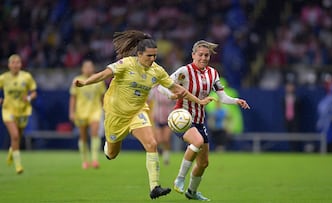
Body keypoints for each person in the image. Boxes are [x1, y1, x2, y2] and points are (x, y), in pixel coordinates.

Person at [73, 30, 214, 199]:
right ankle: (107, 147)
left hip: (138, 112)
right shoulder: (125, 64)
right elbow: (104, 74)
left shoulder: (157, 71)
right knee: (112, 154)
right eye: (149, 56)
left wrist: (198, 102)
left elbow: (178, 89)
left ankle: (155, 187)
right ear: (139, 54)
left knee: (152, 143)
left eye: (155, 56)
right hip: (116, 115)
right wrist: (85, 82)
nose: (152, 59)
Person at [158, 40, 250, 201]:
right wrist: (171, 95)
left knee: (203, 163)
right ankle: (179, 178)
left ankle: (191, 192)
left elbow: (222, 96)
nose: (203, 58)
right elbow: (161, 86)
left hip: (199, 121)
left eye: (206, 55)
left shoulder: (213, 73)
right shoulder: (184, 71)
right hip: (182, 117)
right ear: (193, 55)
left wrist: (236, 100)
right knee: (198, 141)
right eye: (200, 54)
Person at [0, 54, 37, 174]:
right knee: (15, 135)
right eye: (13, 63)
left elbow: (34, 93)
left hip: (23, 110)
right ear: (9, 65)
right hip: (8, 110)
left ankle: (12, 150)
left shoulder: (26, 77)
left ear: (21, 64)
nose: (15, 65)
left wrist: (29, 98)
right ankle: (18, 166)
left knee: (18, 136)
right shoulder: (4, 78)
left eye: (18, 62)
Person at [69, 60, 106, 169]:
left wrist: (105, 110)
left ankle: (95, 159)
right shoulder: (77, 80)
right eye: (86, 67)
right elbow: (73, 97)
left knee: (95, 132)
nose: (88, 69)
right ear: (82, 69)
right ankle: (84, 160)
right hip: (81, 112)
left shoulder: (98, 80)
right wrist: (71, 112)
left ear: (93, 68)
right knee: (83, 136)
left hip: (95, 110)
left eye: (90, 67)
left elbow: (102, 97)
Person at [148, 85, 175, 165]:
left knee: (166, 139)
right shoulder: (155, 90)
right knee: (159, 140)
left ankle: (166, 158)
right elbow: (148, 101)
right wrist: (151, 113)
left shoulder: (170, 90)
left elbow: (175, 101)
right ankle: (158, 155)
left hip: (168, 117)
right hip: (158, 117)